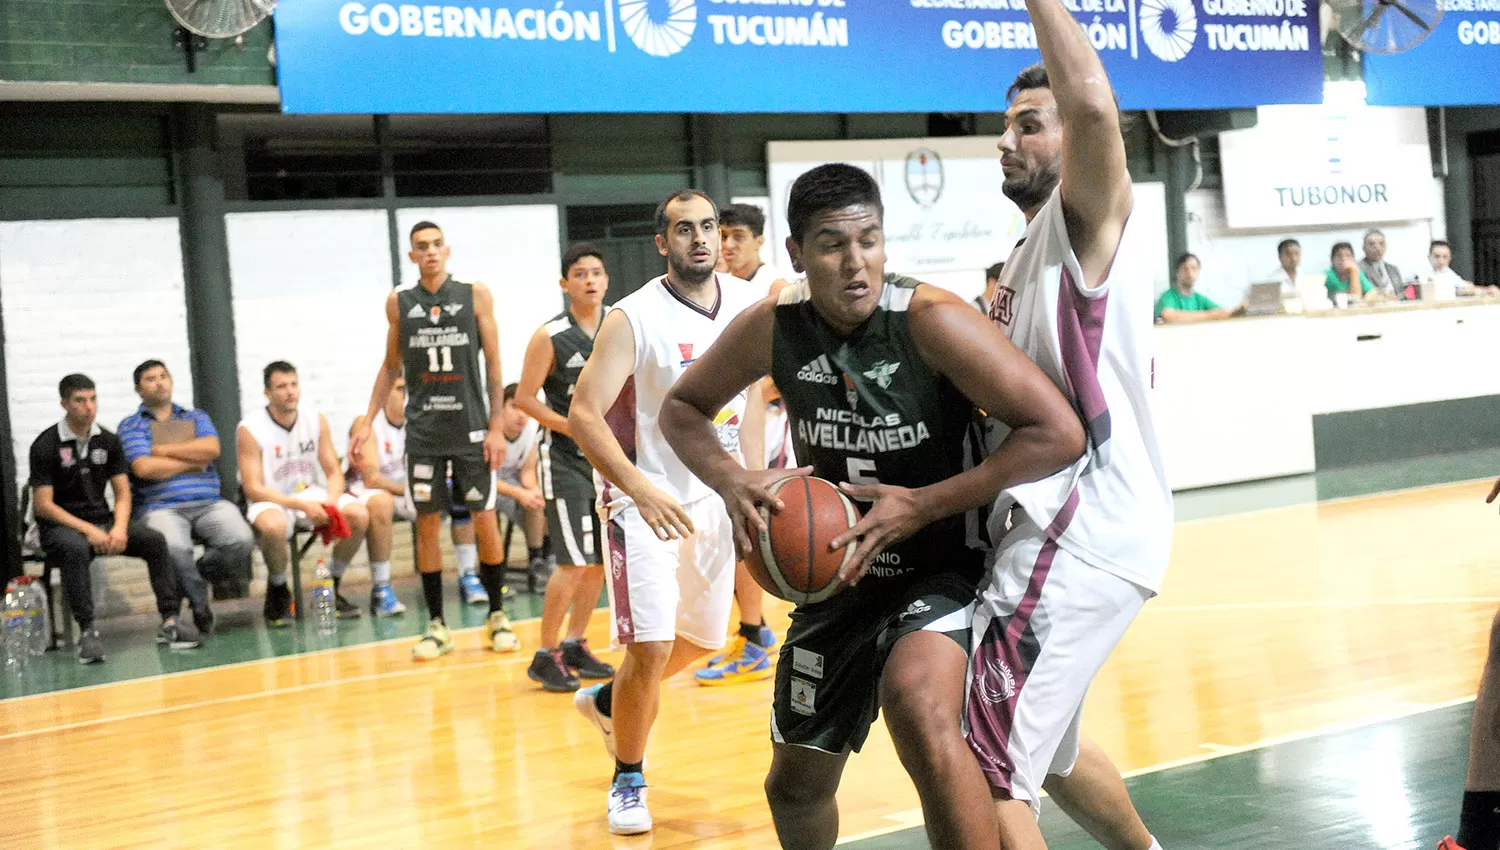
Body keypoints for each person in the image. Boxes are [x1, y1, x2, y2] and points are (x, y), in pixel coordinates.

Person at [659, 164, 1084, 850]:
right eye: (832, 244)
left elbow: (1058, 432)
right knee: (793, 786)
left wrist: (923, 504)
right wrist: (731, 479)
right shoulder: (775, 324)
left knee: (918, 707)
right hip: (839, 577)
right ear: (796, 253)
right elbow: (682, 409)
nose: (856, 263)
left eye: (870, 240)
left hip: (946, 565)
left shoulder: (932, 320)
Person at [975, 2, 1178, 843]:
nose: (1007, 140)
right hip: (1088, 528)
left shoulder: (1084, 220)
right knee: (1048, 754)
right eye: (1006, 127)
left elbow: (1093, 106)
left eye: (1030, 124)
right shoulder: (1023, 256)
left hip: (1074, 527)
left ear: (1074, 143)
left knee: (981, 763)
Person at [568, 188, 764, 836]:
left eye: (709, 227)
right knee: (649, 647)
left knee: (702, 641)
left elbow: (754, 402)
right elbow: (583, 413)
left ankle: (608, 702)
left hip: (715, 493)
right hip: (643, 493)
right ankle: (628, 776)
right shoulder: (631, 317)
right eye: (685, 229)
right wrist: (637, 487)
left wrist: (754, 484)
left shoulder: (746, 304)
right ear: (662, 243)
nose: (702, 239)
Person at [350, 220, 520, 661]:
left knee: (483, 517)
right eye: (421, 247)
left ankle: (497, 615)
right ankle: (437, 625)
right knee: (427, 523)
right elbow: (390, 367)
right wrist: (368, 419)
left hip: (471, 428)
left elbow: (496, 365)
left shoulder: (473, 294)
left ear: (448, 250)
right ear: (412, 256)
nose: (429, 252)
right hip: (424, 432)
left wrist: (498, 425)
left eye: (436, 245)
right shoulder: (400, 302)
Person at [30, 374, 198, 662]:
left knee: (154, 540)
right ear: (64, 404)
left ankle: (170, 620)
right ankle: (88, 632)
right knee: (75, 549)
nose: (89, 407)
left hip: (103, 520)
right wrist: (87, 530)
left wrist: (119, 528)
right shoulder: (45, 445)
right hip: (61, 525)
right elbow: (43, 505)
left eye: (93, 399)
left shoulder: (108, 440)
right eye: (80, 401)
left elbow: (122, 493)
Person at [516, 243, 618, 692]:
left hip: (609, 458)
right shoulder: (549, 335)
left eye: (597, 272)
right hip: (563, 458)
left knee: (597, 561)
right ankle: (545, 652)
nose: (590, 280)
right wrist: (572, 426)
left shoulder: (620, 325)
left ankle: (576, 642)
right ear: (565, 284)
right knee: (574, 561)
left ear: (606, 280)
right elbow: (523, 399)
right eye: (580, 274)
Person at [119, 359, 254, 639]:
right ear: (138, 389)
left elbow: (211, 448)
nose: (159, 382)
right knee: (176, 550)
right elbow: (144, 468)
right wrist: (192, 462)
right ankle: (200, 605)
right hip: (161, 507)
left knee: (241, 540)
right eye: (150, 379)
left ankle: (195, 580)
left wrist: (162, 451)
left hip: (209, 503)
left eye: (163, 376)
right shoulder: (131, 426)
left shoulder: (196, 417)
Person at [238, 362, 369, 626]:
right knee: (273, 526)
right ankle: (277, 590)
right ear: (267, 393)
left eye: (293, 384)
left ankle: (331, 585)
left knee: (358, 513)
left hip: (309, 493)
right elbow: (252, 487)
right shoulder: (249, 429)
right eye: (281, 387)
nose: (290, 392)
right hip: (271, 497)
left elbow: (333, 471)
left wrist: (331, 501)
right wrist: (298, 504)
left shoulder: (315, 419)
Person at [719, 202, 791, 295]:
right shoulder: (720, 285)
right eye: (723, 236)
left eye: (738, 237)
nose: (728, 245)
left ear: (759, 241)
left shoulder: (775, 286)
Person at [1154, 253, 1239, 323]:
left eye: (1193, 268)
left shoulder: (1200, 299)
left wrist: (1238, 310)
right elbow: (1168, 316)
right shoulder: (1169, 296)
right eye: (1185, 269)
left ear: (1198, 272)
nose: (1189, 273)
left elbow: (1222, 312)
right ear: (1177, 272)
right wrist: (1210, 315)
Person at [1427, 240, 1500, 299]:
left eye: (1445, 257)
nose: (1441, 261)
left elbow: (1464, 287)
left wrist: (1487, 290)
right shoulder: (1422, 275)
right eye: (1437, 256)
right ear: (1429, 257)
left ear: (1450, 258)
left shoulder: (1448, 272)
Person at [1325, 241, 1378, 306]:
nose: (1343, 259)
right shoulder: (1328, 276)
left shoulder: (1357, 272)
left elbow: (1372, 292)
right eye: (1339, 256)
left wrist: (1365, 301)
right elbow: (1354, 298)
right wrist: (1353, 271)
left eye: (1348, 256)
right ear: (1332, 260)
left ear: (1353, 259)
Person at [1358, 228, 1403, 299]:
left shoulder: (1393, 269)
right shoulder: (1358, 269)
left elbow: (1401, 292)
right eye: (1372, 244)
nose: (1377, 248)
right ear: (1363, 247)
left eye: (1381, 244)